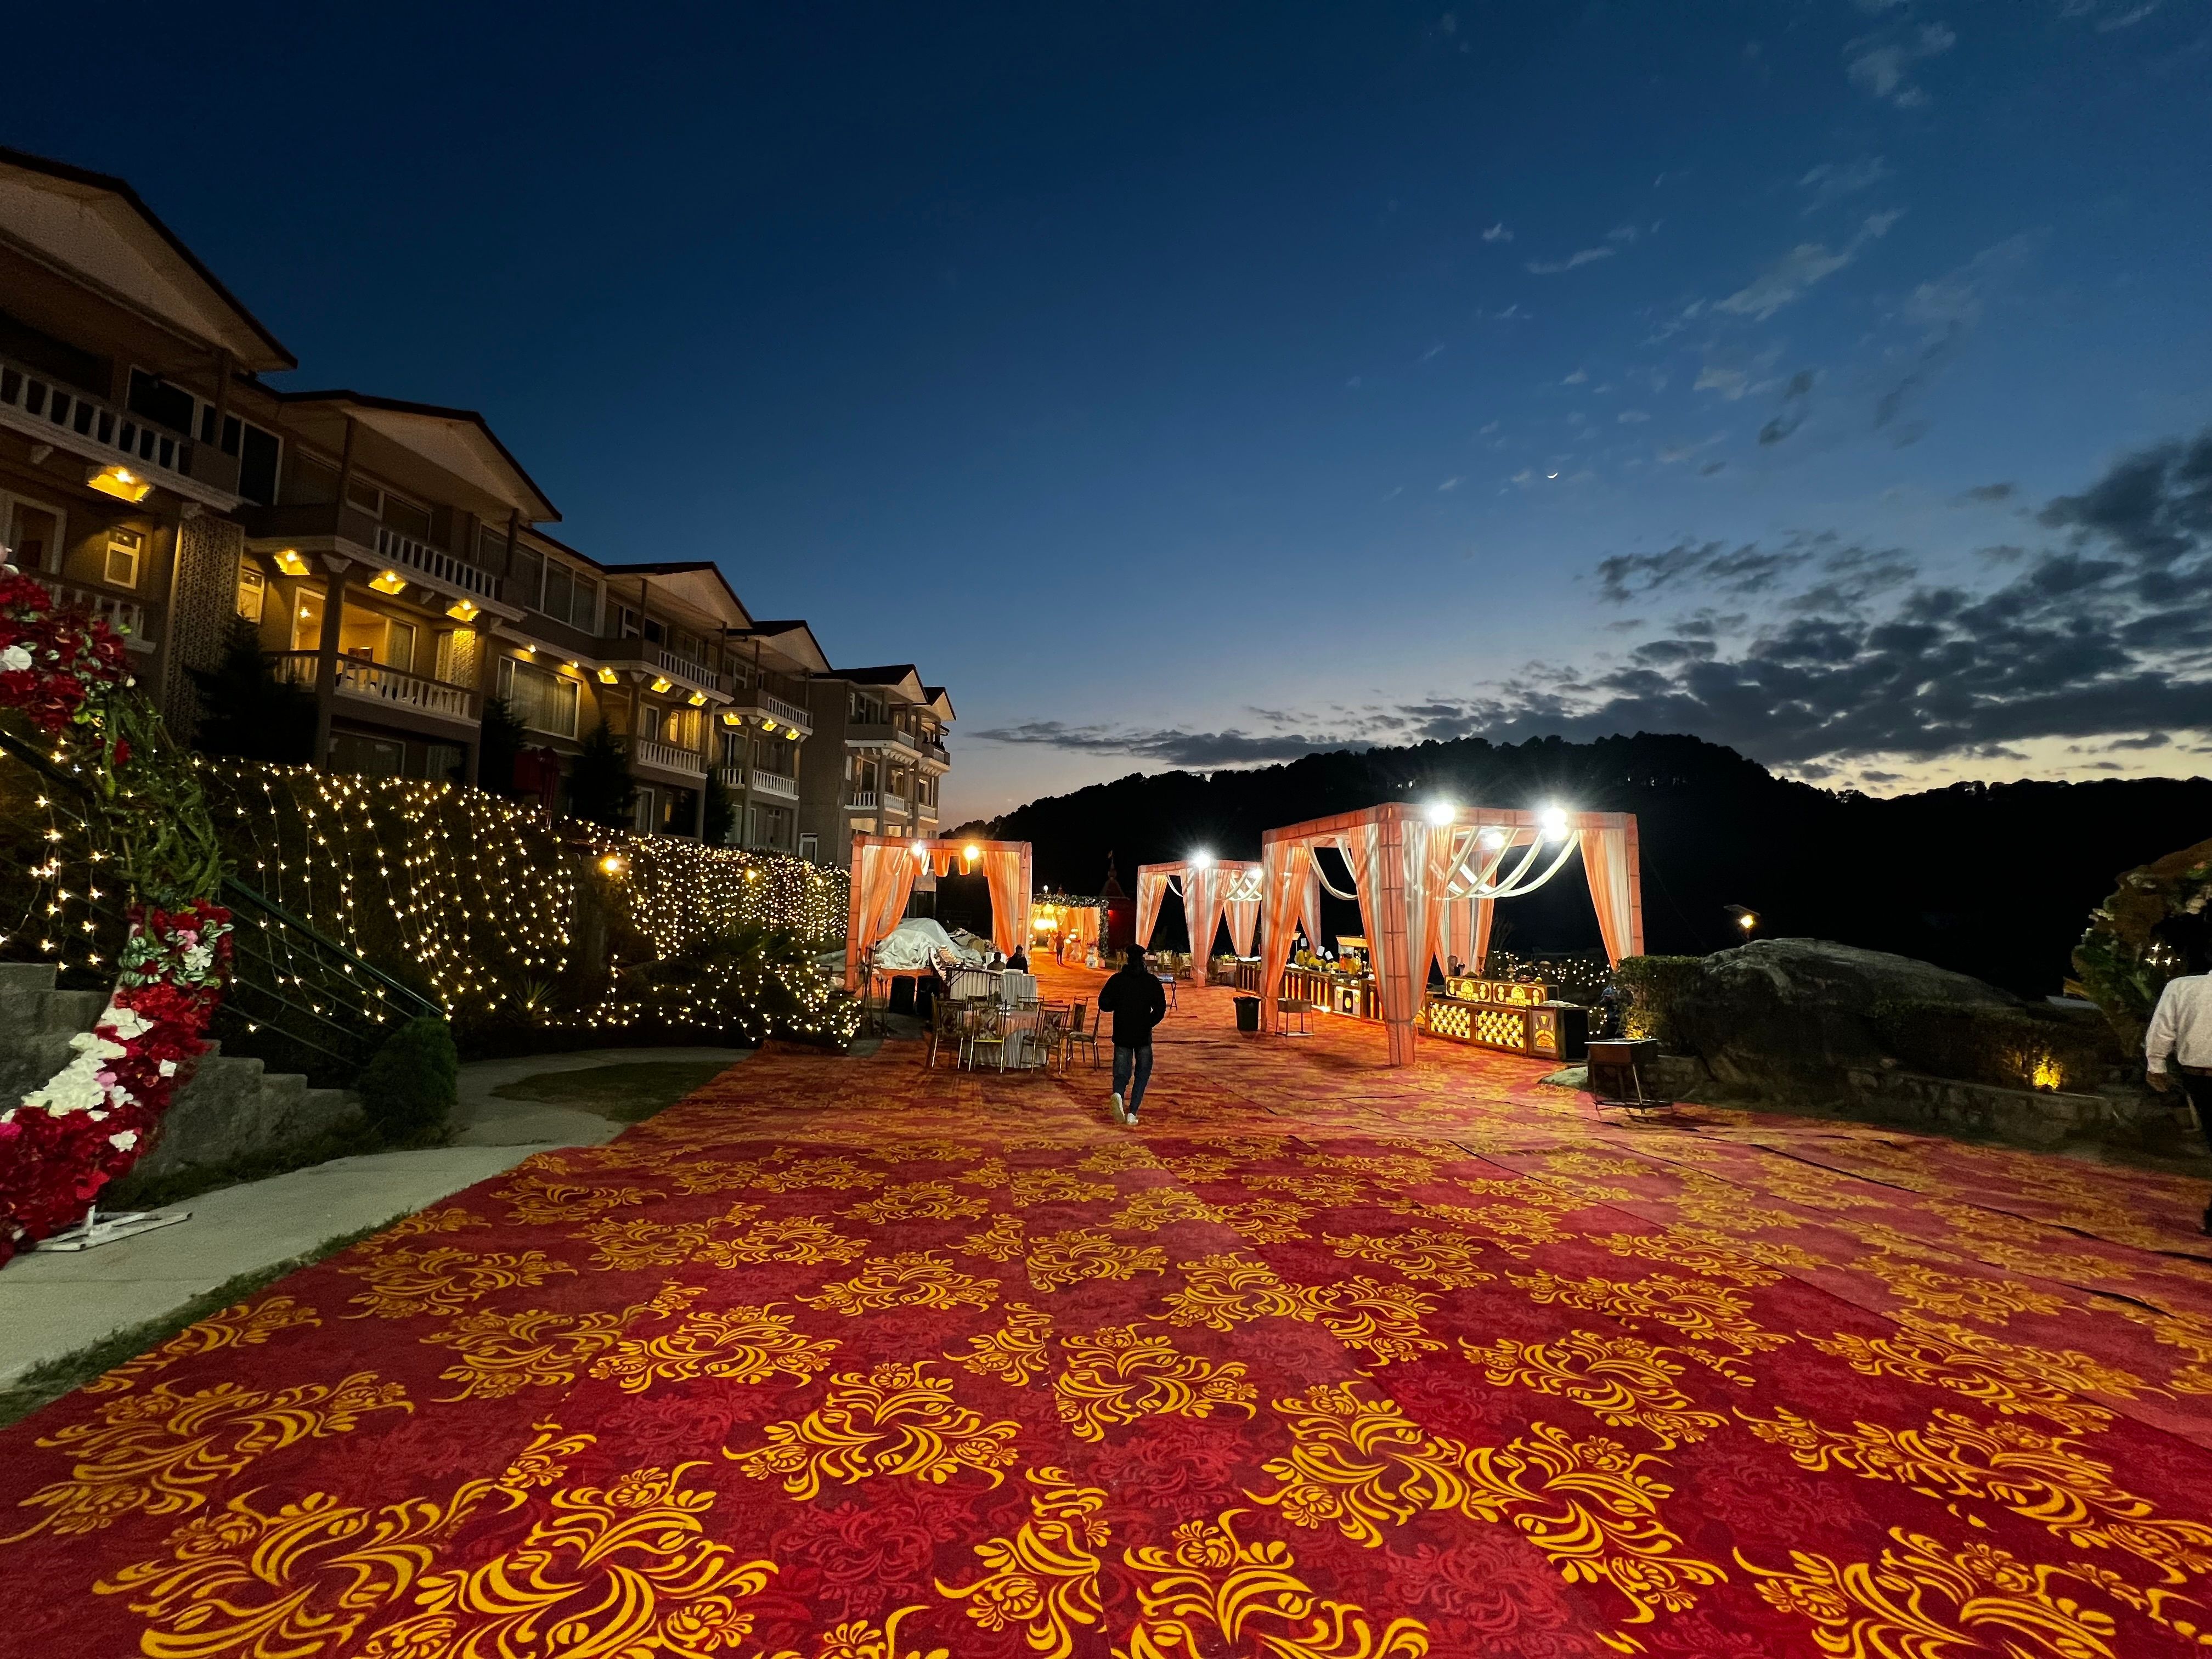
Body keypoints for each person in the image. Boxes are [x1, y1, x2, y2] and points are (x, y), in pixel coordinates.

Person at [2143, 942, 2212, 1234]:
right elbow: (2163, 1027)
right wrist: (2156, 1063)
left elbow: (2163, 1028)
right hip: (2200, 1075)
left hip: (2199, 1076)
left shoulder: (2182, 987)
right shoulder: (2182, 987)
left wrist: (2156, 1064)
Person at [1098, 940, 1167, 1126]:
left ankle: (1118, 1095)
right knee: (1142, 1073)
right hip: (1143, 1035)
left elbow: (1103, 1003)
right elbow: (1161, 1008)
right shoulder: (1151, 982)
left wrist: (1118, 1005)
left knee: (1121, 1072)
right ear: (1142, 960)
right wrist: (1148, 1022)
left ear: (1127, 960)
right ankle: (1133, 1112)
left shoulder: (1117, 980)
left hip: (1122, 1033)